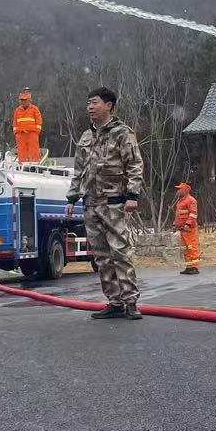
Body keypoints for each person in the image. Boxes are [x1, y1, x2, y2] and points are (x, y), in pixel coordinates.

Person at [66, 86, 144, 319]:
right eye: (89, 103)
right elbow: (78, 171)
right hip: (91, 205)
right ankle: (114, 302)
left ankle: (130, 302)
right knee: (101, 256)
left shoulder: (122, 133)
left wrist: (132, 196)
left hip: (114, 203)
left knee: (120, 252)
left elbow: (135, 165)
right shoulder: (86, 137)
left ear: (109, 105)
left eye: (95, 102)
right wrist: (72, 198)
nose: (90, 107)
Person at [173, 182, 201, 275]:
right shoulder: (180, 201)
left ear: (184, 190)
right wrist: (176, 224)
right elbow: (179, 214)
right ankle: (189, 267)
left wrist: (188, 224)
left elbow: (193, 214)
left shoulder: (191, 200)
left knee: (192, 247)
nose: (178, 191)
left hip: (189, 229)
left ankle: (195, 267)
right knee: (186, 248)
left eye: (179, 189)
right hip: (182, 229)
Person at [12, 90, 44, 163]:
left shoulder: (34, 109)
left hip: (32, 133)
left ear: (29, 100)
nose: (22, 102)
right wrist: (16, 133)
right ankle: (22, 166)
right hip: (20, 134)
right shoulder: (17, 110)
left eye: (24, 100)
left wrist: (36, 132)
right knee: (21, 152)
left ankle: (35, 165)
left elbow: (39, 121)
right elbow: (15, 122)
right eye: (21, 100)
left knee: (34, 150)